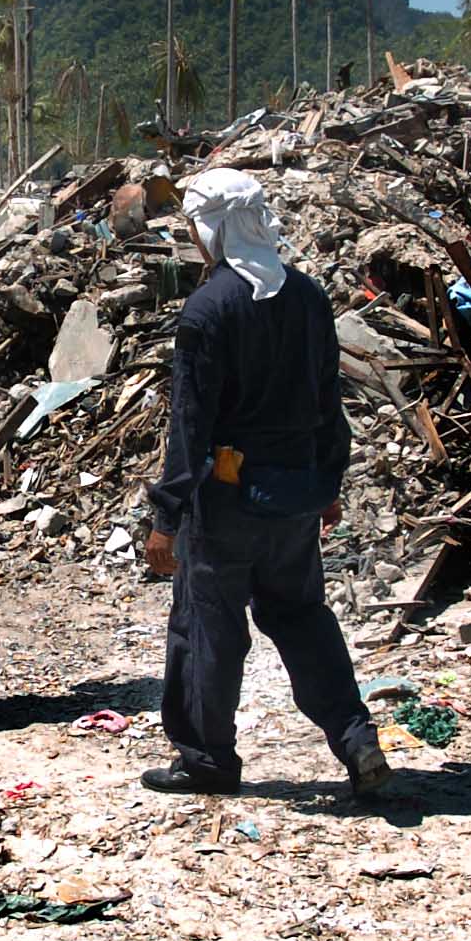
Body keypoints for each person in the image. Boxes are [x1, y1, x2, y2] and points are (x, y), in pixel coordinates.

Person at [141, 170, 390, 802]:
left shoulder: (208, 310)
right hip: (295, 494)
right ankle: (356, 737)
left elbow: (190, 425)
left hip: (226, 501)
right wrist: (328, 480)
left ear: (214, 230)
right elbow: (327, 401)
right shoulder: (307, 298)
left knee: (209, 627)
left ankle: (207, 759)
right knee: (301, 614)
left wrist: (166, 515)